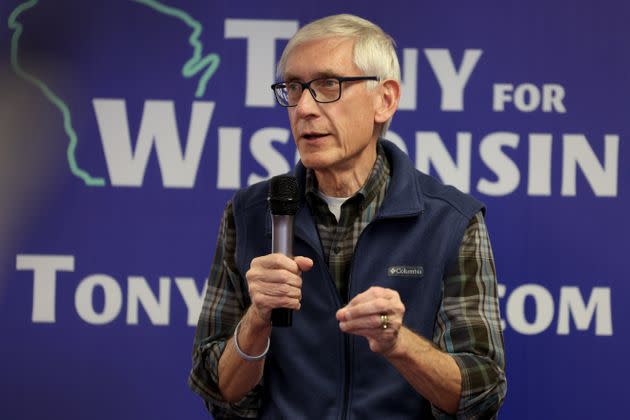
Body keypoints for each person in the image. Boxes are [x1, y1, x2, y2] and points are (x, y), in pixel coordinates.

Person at [189, 13, 506, 419]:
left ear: (385, 100)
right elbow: (219, 391)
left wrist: (398, 344)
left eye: (327, 85)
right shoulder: (251, 215)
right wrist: (257, 319)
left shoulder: (451, 221)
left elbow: (481, 392)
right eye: (293, 88)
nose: (303, 108)